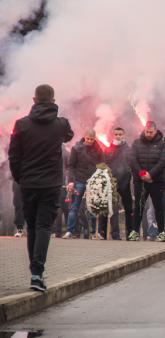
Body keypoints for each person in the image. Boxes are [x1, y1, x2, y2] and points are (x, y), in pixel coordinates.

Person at [8, 84, 74, 291]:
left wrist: (20, 177)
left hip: (28, 183)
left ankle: (35, 272)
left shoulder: (21, 125)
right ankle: (37, 274)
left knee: (32, 226)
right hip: (51, 184)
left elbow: (14, 156)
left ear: (34, 100)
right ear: (53, 101)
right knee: (44, 226)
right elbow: (68, 135)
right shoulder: (60, 124)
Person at [128, 121, 165, 242]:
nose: (149, 134)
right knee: (138, 207)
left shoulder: (162, 145)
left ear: (155, 131)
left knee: (159, 207)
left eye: (151, 132)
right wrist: (141, 173)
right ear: (144, 130)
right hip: (140, 180)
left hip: (156, 181)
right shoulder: (136, 143)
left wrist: (150, 174)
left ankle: (161, 232)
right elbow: (132, 159)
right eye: (147, 132)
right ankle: (135, 232)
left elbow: (163, 161)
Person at [63, 129, 105, 239]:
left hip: (93, 182)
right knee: (74, 206)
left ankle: (94, 232)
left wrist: (101, 180)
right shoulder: (76, 148)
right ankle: (69, 231)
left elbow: (102, 166)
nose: (90, 141)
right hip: (79, 181)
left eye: (92, 139)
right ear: (84, 137)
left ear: (95, 138)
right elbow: (71, 166)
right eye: (88, 139)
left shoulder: (99, 150)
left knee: (93, 208)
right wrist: (71, 181)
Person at [99, 127, 133, 240]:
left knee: (128, 208)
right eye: (116, 134)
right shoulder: (108, 149)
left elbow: (130, 165)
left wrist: (127, 178)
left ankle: (130, 234)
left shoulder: (128, 149)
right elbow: (104, 164)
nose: (118, 136)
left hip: (125, 182)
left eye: (120, 134)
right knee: (108, 207)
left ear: (124, 135)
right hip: (111, 182)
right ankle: (106, 233)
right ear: (113, 135)